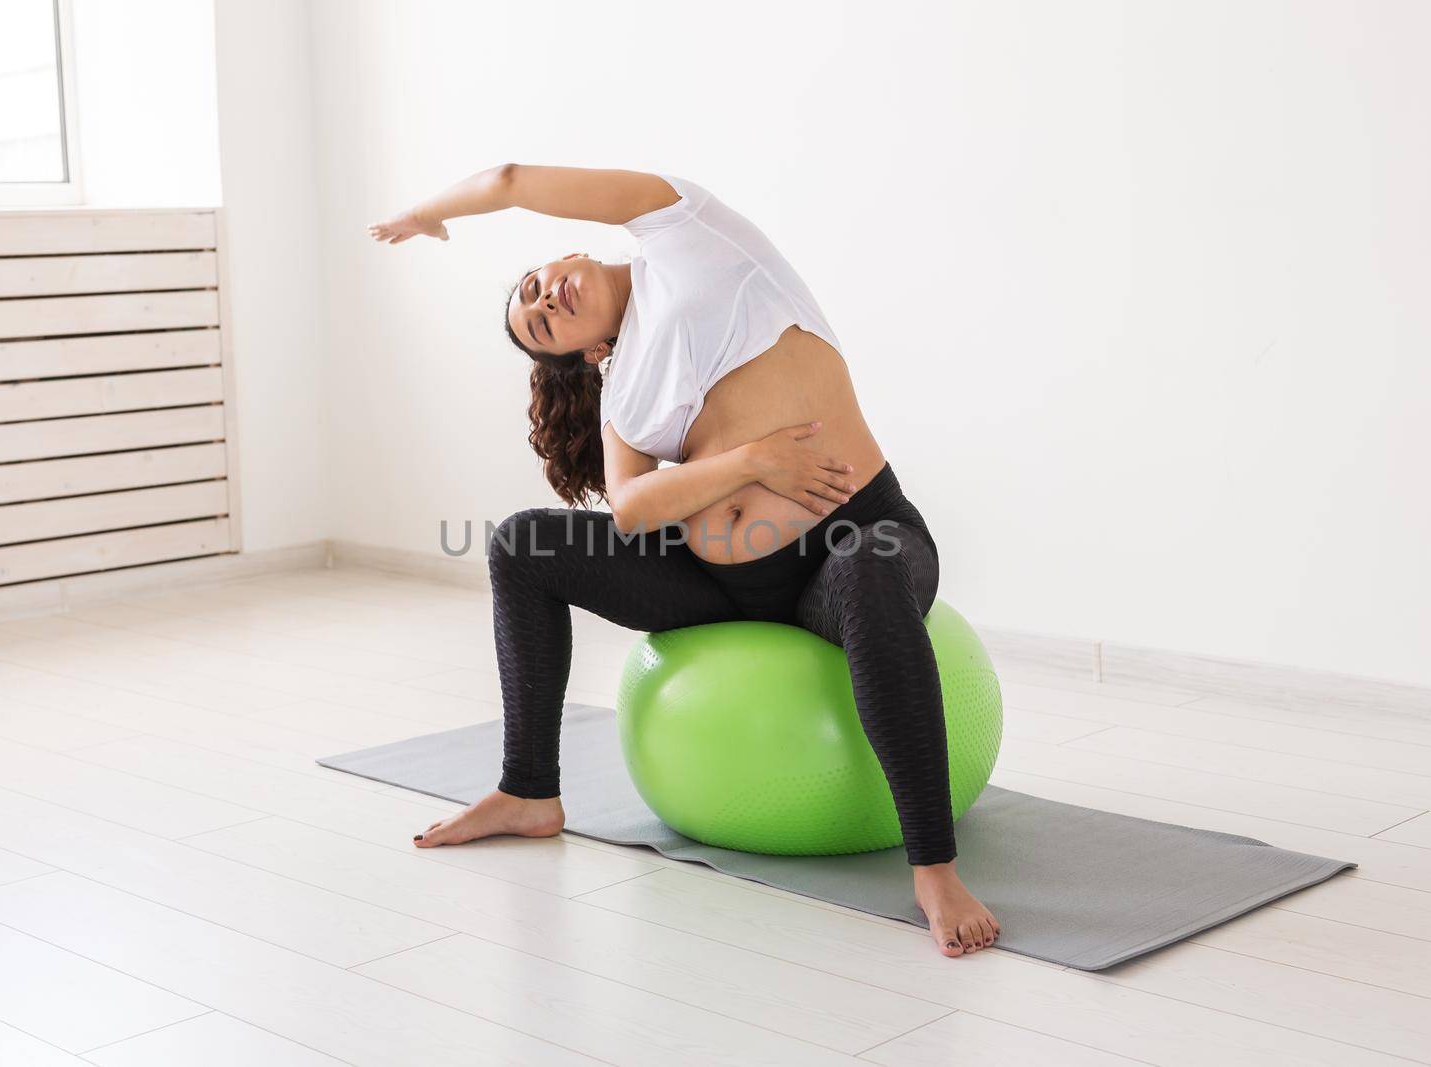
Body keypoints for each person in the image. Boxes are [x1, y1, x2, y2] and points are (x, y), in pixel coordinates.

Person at [368, 165, 999, 957]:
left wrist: (423, 213)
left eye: (535, 285)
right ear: (584, 351)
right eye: (537, 325)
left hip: (853, 536)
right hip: (722, 582)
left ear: (571, 256)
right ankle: (527, 790)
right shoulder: (623, 388)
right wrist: (753, 463)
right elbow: (631, 506)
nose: (542, 301)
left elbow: (512, 178)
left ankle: (934, 870)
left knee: (871, 568)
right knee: (520, 544)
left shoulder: (687, 232)